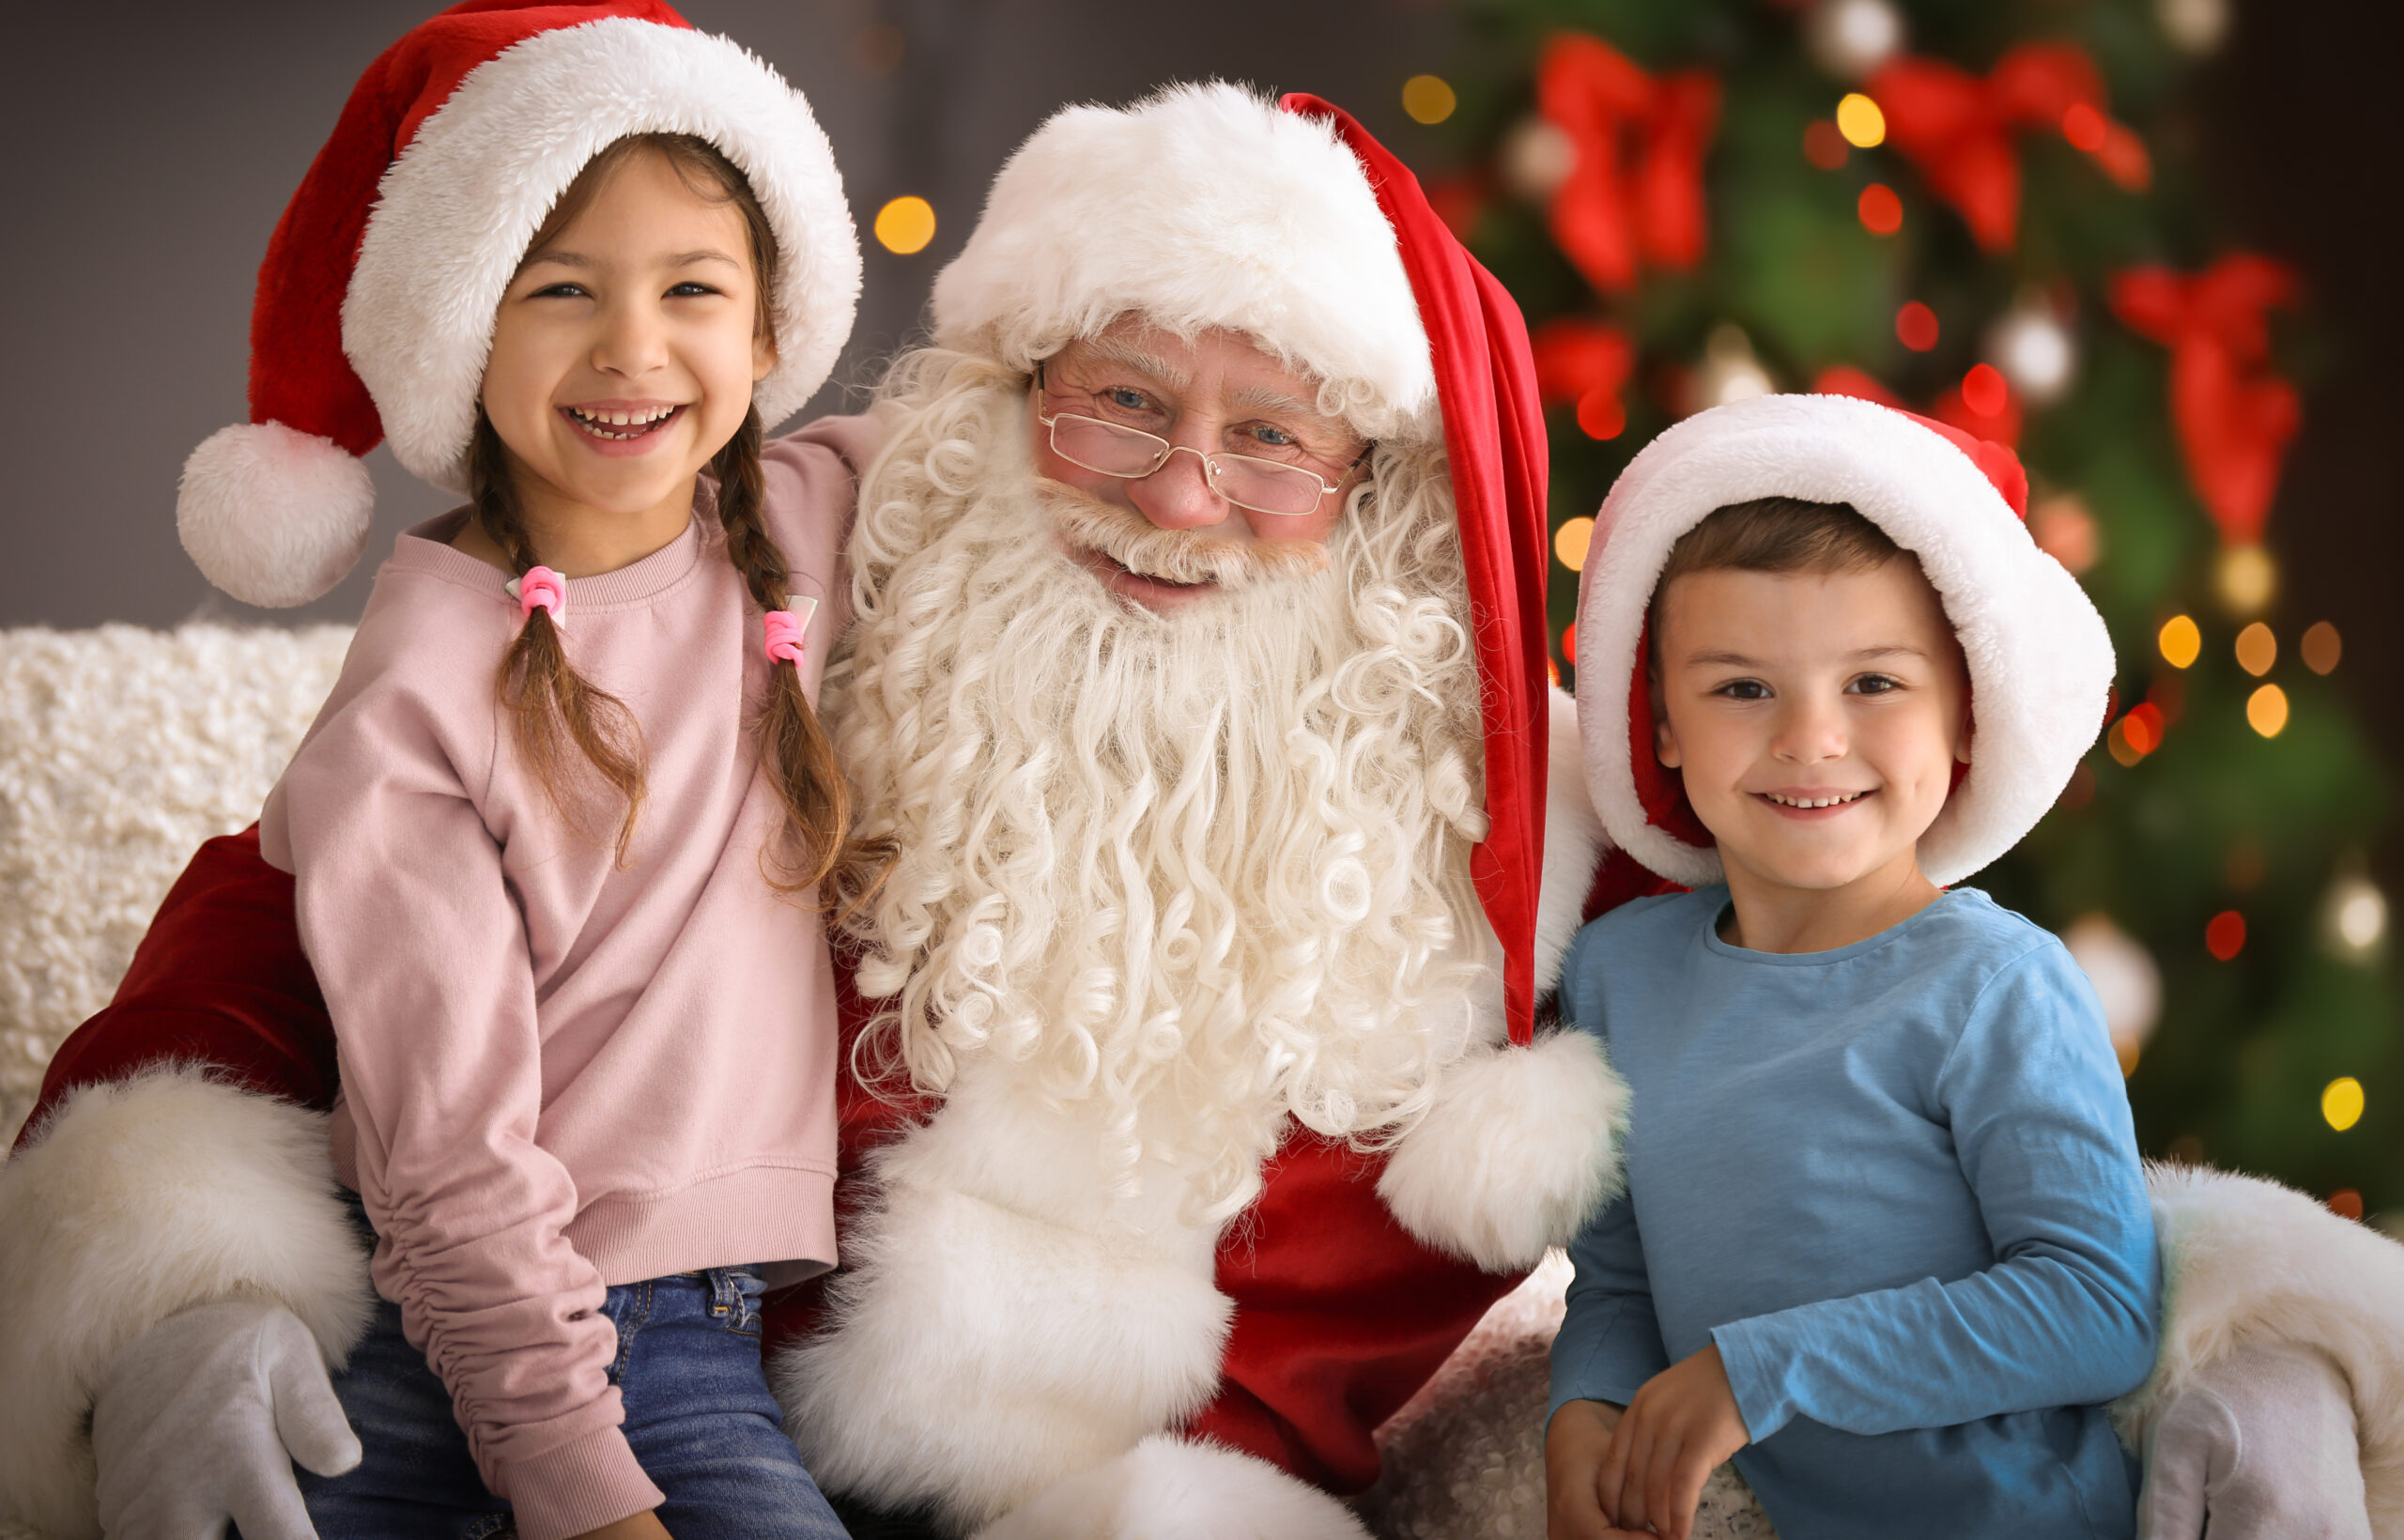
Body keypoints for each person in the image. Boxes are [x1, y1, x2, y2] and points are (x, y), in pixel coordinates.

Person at [1, 85, 2396, 1540]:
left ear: (1365, 503)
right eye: (1112, 398)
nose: (1175, 491)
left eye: (1270, 439)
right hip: (631, 1391)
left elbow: (1900, 1097)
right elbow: (318, 883)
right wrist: (189, 1284)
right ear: (999, 387)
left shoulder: (1499, 810)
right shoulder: (809, 564)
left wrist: (2247, 1347)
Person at [20, 0, 874, 1540]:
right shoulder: (416, 704)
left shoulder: (810, 525)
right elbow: (442, 1159)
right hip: (488, 1335)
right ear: (457, 330)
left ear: (770, 329)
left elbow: (1071, 406)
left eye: (693, 289)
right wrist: (576, 1482)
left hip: (722, 1326)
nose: (634, 348)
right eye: (558, 290)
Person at [1549, 393, 2396, 1540]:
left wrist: (1757, 1372)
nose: (1810, 738)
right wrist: (1580, 1427)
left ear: (1962, 716)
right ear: (1659, 725)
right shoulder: (1616, 974)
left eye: (1874, 683)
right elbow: (1613, 1279)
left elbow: (2097, 1307)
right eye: (1740, 687)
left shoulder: (1993, 985)